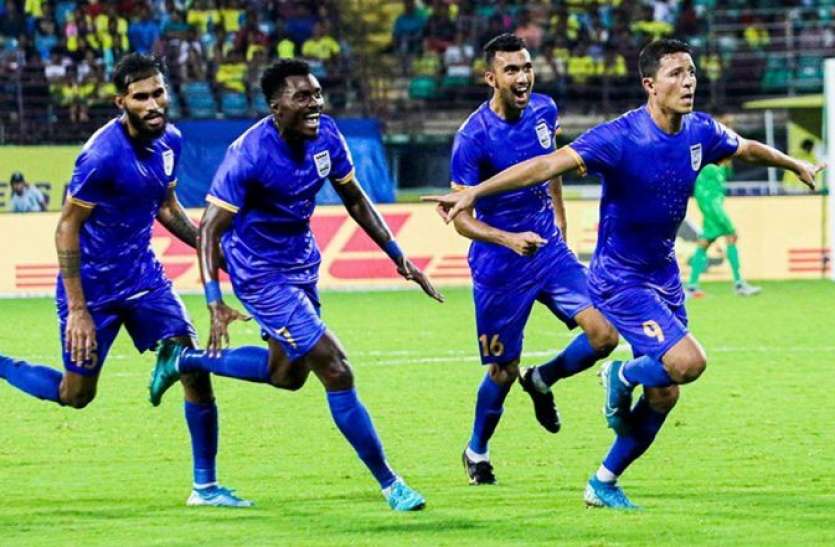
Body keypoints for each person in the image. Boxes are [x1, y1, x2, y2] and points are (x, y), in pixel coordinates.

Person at [424, 39, 823, 509]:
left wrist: (793, 163)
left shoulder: (697, 130)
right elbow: (545, 166)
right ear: (650, 84)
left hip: (624, 266)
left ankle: (599, 473)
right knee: (510, 369)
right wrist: (477, 197)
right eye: (676, 74)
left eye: (692, 73)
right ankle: (484, 446)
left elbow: (746, 148)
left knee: (657, 384)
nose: (689, 82)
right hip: (568, 272)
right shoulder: (612, 137)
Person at [148, 59, 443, 512]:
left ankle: (184, 359)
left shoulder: (327, 135)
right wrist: (214, 300)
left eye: (317, 94)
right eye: (302, 97)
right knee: (336, 367)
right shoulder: (248, 155)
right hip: (259, 273)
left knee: (286, 375)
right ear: (276, 107)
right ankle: (391, 484)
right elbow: (208, 230)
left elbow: (355, 199)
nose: (315, 104)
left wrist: (398, 256)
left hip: (301, 264)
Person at [0, 54, 250, 508]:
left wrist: (214, 254)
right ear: (122, 102)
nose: (153, 104)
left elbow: (166, 207)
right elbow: (66, 227)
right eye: (141, 97)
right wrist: (78, 310)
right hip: (92, 289)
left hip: (143, 276)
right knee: (76, 395)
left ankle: (206, 488)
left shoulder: (171, 141)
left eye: (158, 93)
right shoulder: (101, 156)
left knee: (192, 367)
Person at [449, 34, 617, 486]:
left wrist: (560, 220)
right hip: (500, 266)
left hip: (548, 251)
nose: (523, 77)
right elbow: (460, 218)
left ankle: (542, 379)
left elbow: (552, 165)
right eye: (511, 70)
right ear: (491, 78)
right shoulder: (472, 138)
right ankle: (477, 450)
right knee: (502, 371)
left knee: (604, 333)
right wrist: (507, 239)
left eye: (526, 67)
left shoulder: (545, 109)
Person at [686, 114, 760, 298]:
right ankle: (739, 283)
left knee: (705, 242)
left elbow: (731, 147)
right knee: (731, 235)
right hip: (711, 204)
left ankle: (692, 285)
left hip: (714, 202)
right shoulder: (703, 155)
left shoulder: (720, 155)